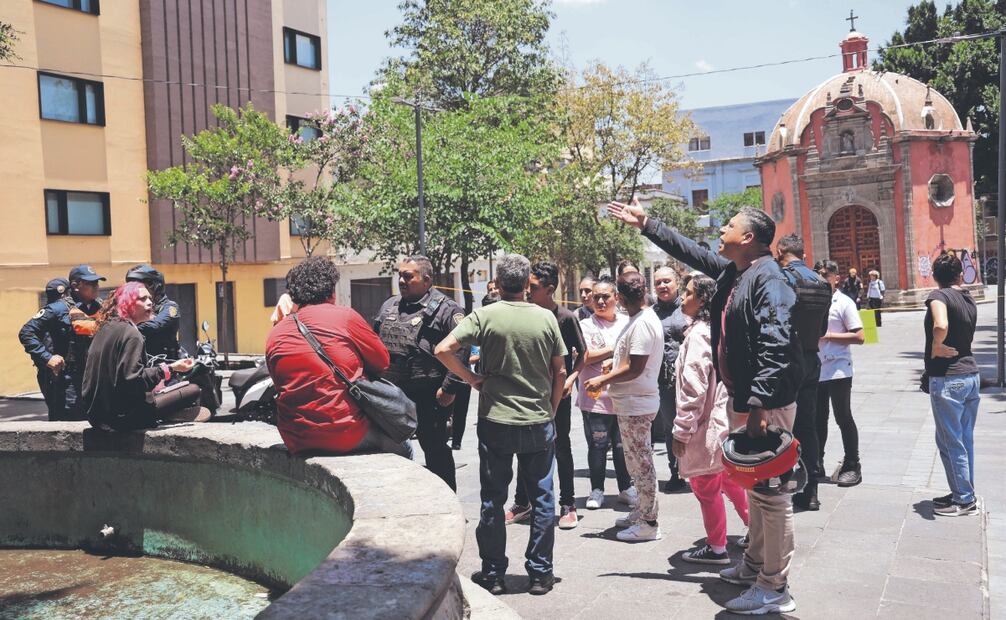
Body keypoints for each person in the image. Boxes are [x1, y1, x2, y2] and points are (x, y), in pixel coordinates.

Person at [608, 200, 802, 616]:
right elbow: (692, 253)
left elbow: (777, 344)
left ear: (748, 238)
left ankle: (774, 586)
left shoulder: (769, 279)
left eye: (729, 225)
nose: (721, 230)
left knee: (771, 497)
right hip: (746, 402)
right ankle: (754, 565)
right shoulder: (737, 271)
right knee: (755, 491)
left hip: (764, 406)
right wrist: (648, 224)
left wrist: (758, 406)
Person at [434, 253, 567, 597]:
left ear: (499, 281)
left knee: (493, 498)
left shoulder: (485, 315)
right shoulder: (545, 318)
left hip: (496, 420)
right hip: (537, 420)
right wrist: (552, 409)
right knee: (542, 498)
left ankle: (493, 573)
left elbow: (443, 349)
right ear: (526, 282)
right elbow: (561, 372)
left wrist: (471, 379)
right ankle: (540, 574)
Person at [266, 257, 410, 457]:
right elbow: (382, 362)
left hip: (295, 438)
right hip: (344, 432)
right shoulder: (345, 317)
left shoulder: (276, 333)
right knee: (404, 446)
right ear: (332, 292)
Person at [672, 273, 749, 564]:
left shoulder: (699, 335)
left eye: (688, 293)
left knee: (706, 485)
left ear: (703, 299)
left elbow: (694, 387)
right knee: (728, 478)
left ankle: (717, 547)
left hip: (706, 425)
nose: (683, 298)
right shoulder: (716, 328)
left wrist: (681, 430)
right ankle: (756, 529)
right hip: (722, 421)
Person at [375, 256, 469, 490]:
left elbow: (462, 348)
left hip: (430, 395)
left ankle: (447, 501)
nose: (402, 281)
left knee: (435, 450)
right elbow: (373, 342)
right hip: (393, 394)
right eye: (400, 275)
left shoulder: (447, 309)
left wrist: (449, 388)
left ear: (426, 280)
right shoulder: (389, 306)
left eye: (408, 276)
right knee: (389, 449)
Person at [583, 271, 664, 542]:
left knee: (641, 465)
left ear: (618, 297)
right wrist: (613, 364)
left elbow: (636, 368)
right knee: (636, 463)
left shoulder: (642, 322)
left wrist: (602, 379)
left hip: (637, 403)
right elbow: (630, 360)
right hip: (632, 402)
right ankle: (641, 512)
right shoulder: (639, 318)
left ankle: (649, 523)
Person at [505, 261, 586, 530]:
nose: (528, 291)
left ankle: (568, 504)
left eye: (534, 287)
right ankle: (522, 502)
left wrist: (571, 378)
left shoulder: (566, 318)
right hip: (529, 395)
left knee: (561, 446)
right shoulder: (522, 314)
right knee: (523, 447)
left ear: (550, 290)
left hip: (558, 395)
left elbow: (583, 354)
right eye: (527, 286)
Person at [82, 282, 208, 430]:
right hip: (120, 418)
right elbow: (133, 381)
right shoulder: (132, 334)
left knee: (161, 393)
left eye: (149, 298)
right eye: (142, 299)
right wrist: (168, 369)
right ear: (127, 303)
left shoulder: (107, 327)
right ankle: (166, 414)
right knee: (192, 390)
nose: (149, 302)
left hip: (96, 416)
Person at [776, 234, 832, 511]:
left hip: (787, 361)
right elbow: (822, 329)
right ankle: (811, 491)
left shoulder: (782, 279)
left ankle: (784, 482)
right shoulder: (823, 283)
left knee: (781, 426)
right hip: (812, 359)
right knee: (808, 426)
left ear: (780, 251)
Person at [924, 253, 980, 517]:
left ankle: (964, 499)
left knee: (950, 442)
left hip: (948, 378)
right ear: (960, 275)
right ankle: (963, 489)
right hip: (970, 375)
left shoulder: (938, 296)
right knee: (964, 439)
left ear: (936, 276)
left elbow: (941, 324)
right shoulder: (968, 298)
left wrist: (937, 345)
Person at [578, 276, 635, 510]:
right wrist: (616, 348)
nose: (600, 301)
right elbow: (584, 356)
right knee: (597, 445)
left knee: (622, 447)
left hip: (623, 396)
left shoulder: (628, 322)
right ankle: (597, 490)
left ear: (616, 298)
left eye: (605, 297)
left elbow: (636, 353)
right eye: (596, 297)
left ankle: (626, 488)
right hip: (595, 399)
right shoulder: (585, 325)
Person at [19, 265, 105, 421]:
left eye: (97, 283)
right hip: (68, 381)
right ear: (75, 286)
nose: (96, 287)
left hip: (95, 377)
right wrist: (47, 357)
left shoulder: (101, 307)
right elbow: (27, 332)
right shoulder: (58, 309)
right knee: (68, 421)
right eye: (90, 283)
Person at [816, 260, 865, 487]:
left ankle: (852, 463)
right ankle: (816, 461)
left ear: (836, 278)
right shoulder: (813, 301)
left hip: (838, 368)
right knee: (817, 419)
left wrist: (828, 336)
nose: (822, 278)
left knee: (842, 416)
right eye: (819, 274)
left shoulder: (844, 302)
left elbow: (860, 336)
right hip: (816, 368)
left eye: (826, 274)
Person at [652, 266, 688, 492]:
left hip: (691, 379)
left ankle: (706, 471)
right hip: (664, 380)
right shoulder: (650, 313)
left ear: (677, 283)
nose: (663, 286)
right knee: (670, 426)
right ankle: (676, 472)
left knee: (699, 425)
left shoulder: (689, 307)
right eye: (658, 282)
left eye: (667, 281)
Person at [125, 264, 182, 360]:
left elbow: (155, 325)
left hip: (166, 362)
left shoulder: (171, 307)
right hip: (143, 361)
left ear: (155, 286)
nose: (136, 291)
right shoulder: (136, 308)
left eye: (141, 287)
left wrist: (125, 329)